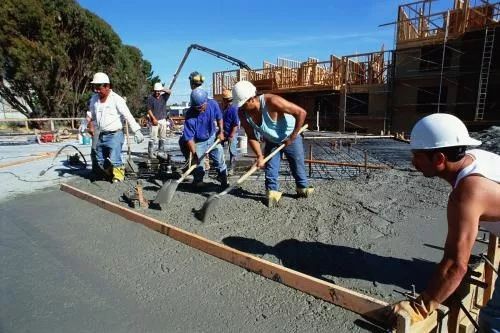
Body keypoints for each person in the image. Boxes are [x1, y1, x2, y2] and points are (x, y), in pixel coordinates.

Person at [390, 113, 500, 332]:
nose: (413, 162)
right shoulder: (475, 157)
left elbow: (455, 266)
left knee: (494, 320)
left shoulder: (468, 192)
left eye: (418, 156)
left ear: (439, 159)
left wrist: (421, 306)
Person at [231, 80, 314, 207]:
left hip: (290, 136)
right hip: (271, 140)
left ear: (252, 99)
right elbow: (251, 136)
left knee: (297, 166)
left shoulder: (271, 101)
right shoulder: (242, 113)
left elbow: (301, 113)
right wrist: (259, 156)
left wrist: (292, 137)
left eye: (243, 104)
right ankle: (272, 194)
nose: (241, 107)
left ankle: (302, 189)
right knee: (270, 169)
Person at [87, 72, 144, 182]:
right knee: (98, 158)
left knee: (114, 158)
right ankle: (109, 173)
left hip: (115, 134)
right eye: (95, 87)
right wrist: (91, 125)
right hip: (101, 134)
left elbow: (128, 115)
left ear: (107, 86)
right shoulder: (94, 99)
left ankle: (118, 177)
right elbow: (92, 115)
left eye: (99, 87)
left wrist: (137, 130)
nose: (96, 90)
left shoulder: (116, 99)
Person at [180, 88, 227, 188]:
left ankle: (224, 181)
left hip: (212, 137)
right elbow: (189, 138)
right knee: (199, 165)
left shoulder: (213, 104)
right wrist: (194, 154)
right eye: (197, 108)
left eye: (201, 106)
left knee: (219, 159)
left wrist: (221, 131)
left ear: (206, 101)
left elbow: (219, 118)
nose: (200, 109)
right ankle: (198, 182)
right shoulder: (190, 116)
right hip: (199, 141)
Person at [146, 82, 171, 158]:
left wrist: (162, 88)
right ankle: (150, 153)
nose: (157, 92)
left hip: (162, 119)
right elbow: (149, 110)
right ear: (154, 90)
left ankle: (160, 151)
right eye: (156, 91)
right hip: (154, 120)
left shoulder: (163, 97)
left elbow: (169, 91)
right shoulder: (151, 98)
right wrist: (153, 119)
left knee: (162, 137)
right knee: (153, 137)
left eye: (158, 91)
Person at [220, 89, 240, 175]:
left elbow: (236, 124)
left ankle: (232, 168)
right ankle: (220, 166)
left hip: (232, 132)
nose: (229, 102)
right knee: (218, 148)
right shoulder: (221, 108)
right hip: (223, 131)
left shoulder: (233, 109)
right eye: (228, 100)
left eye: (230, 100)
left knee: (232, 150)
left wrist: (231, 135)